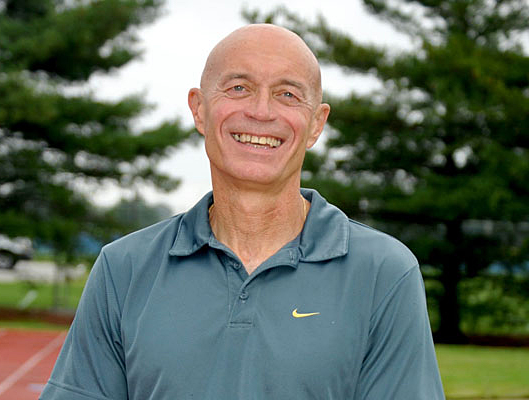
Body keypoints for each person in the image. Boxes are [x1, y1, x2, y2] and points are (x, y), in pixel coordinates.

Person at [41, 24, 445, 399]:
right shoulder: (123, 270)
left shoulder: (384, 273)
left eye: (287, 94)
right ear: (199, 109)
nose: (261, 111)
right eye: (238, 88)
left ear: (316, 123)